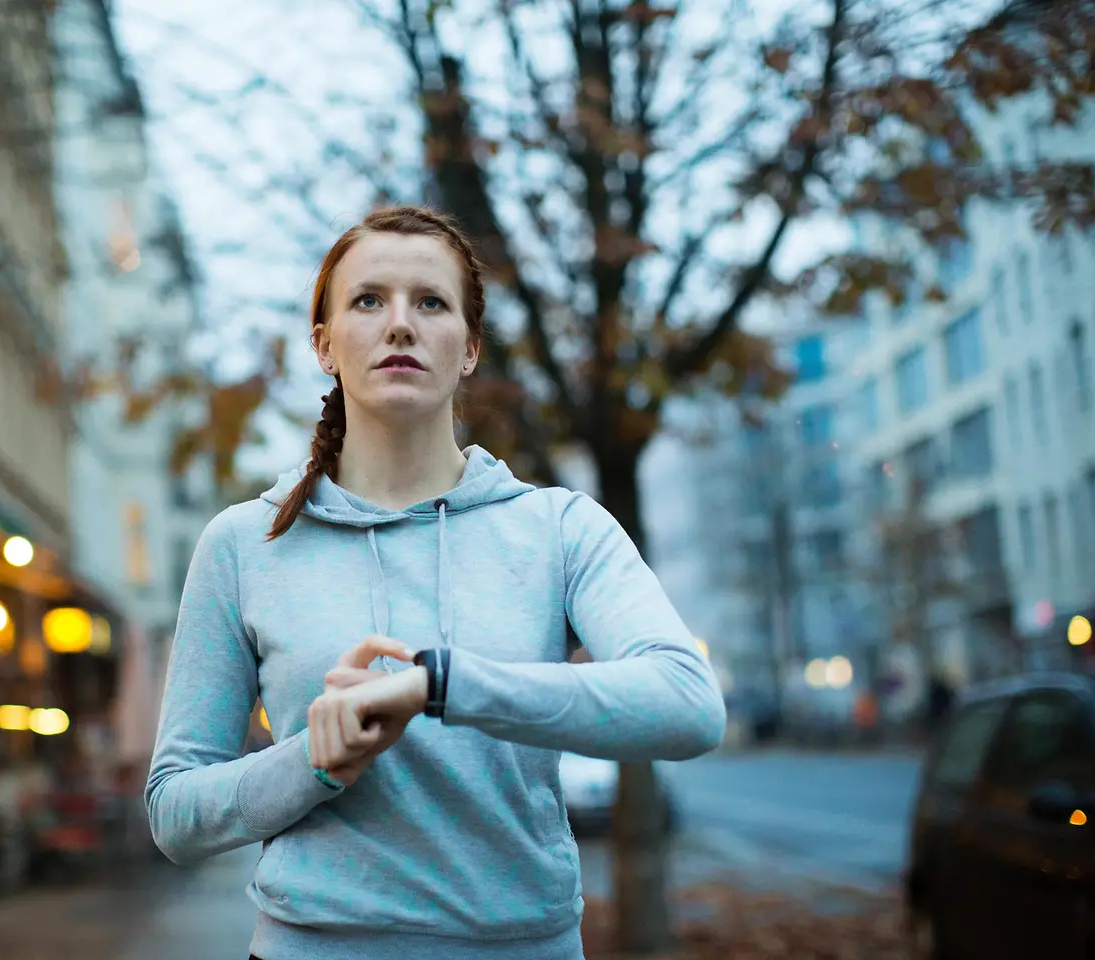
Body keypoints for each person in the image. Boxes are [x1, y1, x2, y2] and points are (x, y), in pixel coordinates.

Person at [146, 205, 726, 960]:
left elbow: (687, 705)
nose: (399, 324)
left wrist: (443, 686)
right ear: (324, 345)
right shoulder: (244, 544)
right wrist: (316, 763)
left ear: (470, 347)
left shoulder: (557, 527)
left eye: (430, 302)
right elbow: (174, 814)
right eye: (367, 300)